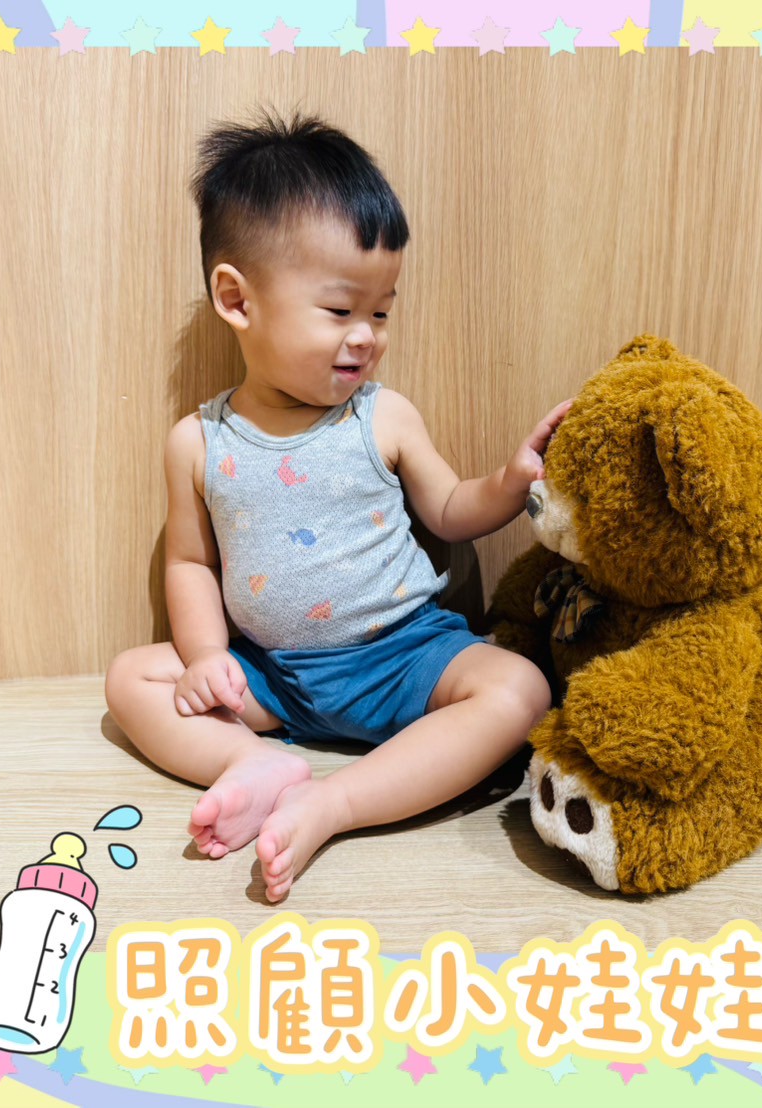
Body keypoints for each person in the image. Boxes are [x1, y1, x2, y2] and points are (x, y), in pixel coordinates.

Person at [104, 108, 571, 902]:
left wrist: (510, 479)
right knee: (131, 680)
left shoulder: (383, 416)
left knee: (519, 689)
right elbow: (189, 562)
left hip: (404, 659)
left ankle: (335, 804)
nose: (366, 336)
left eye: (380, 311)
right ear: (237, 299)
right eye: (339, 310)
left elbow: (448, 510)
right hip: (272, 677)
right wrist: (207, 655)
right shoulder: (197, 442)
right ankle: (252, 765)